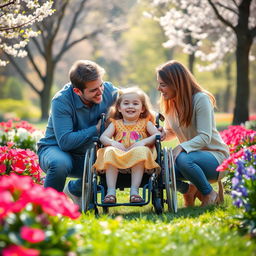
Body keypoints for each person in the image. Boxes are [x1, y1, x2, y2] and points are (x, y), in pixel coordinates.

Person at [37, 60, 118, 209]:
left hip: (88, 152)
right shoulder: (61, 101)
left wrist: (153, 124)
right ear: (77, 91)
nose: (101, 91)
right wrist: (96, 128)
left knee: (113, 160)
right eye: (94, 90)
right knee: (60, 164)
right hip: (56, 149)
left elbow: (134, 102)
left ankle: (75, 189)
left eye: (101, 85)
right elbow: (65, 142)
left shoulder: (108, 90)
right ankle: (45, 210)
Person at [156, 60, 230, 207]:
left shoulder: (200, 99)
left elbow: (205, 137)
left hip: (216, 158)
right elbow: (171, 131)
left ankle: (209, 193)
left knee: (183, 158)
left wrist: (181, 147)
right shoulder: (170, 103)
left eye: (163, 84)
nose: (159, 88)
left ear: (176, 83)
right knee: (159, 169)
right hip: (190, 158)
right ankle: (188, 190)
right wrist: (163, 133)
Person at [93, 87, 161, 204]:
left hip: (139, 158)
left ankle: (134, 192)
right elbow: (103, 138)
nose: (130, 106)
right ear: (119, 108)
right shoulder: (116, 124)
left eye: (135, 103)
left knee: (141, 151)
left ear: (142, 108)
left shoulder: (145, 123)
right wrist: (113, 143)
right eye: (126, 103)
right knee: (109, 151)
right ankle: (111, 192)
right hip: (119, 157)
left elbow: (157, 135)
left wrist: (143, 142)